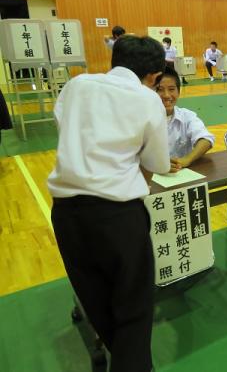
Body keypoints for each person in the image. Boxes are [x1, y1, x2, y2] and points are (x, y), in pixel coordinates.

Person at [47, 35, 170, 371]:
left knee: (97, 301)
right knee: (134, 309)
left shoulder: (77, 85)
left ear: (115, 59)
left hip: (67, 213)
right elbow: (158, 164)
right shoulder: (147, 99)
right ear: (154, 76)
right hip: (118, 215)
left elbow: (64, 127)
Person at [156, 66, 215, 172]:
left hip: (181, 175)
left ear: (178, 92)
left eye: (171, 89)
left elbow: (206, 140)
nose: (166, 95)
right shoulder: (142, 121)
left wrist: (187, 159)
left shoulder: (187, 116)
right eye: (159, 90)